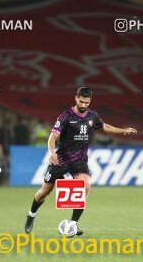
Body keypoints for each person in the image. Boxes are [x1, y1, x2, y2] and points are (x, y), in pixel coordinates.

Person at [24, 87, 137, 235]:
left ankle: (73, 224)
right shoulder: (65, 116)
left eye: (87, 102)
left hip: (80, 161)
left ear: (90, 101)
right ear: (76, 98)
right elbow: (52, 137)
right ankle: (31, 215)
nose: (84, 105)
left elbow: (104, 127)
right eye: (81, 101)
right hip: (62, 159)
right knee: (44, 192)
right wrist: (52, 152)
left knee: (85, 186)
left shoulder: (93, 116)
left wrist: (123, 130)